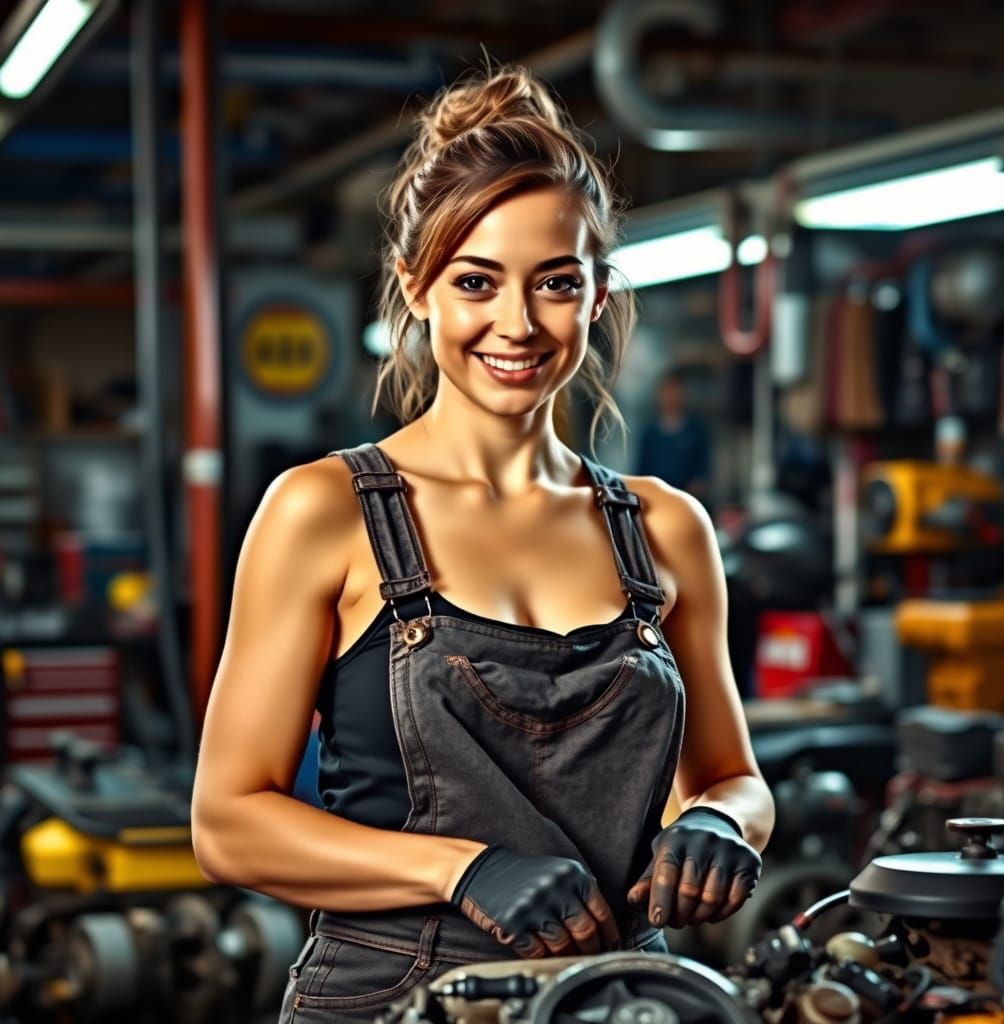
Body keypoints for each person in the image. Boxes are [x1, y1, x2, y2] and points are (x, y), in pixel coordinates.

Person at [190, 65, 773, 1024]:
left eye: (555, 283)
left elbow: (734, 777)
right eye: (475, 282)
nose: (517, 323)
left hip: (624, 995)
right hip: (393, 992)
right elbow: (228, 824)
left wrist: (719, 821)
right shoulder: (325, 509)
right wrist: (462, 869)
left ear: (594, 297)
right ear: (418, 291)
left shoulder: (666, 527)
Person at [636, 367, 712, 501]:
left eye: (675, 390)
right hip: (656, 498)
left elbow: (702, 470)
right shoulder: (650, 433)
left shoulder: (696, 431)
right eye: (667, 391)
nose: (671, 396)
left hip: (687, 498)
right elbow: (641, 470)